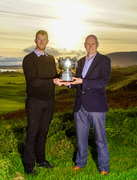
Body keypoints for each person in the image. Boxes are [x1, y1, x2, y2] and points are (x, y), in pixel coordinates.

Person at [64, 34, 111, 175]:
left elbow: (103, 82)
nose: (90, 46)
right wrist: (68, 83)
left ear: (97, 44)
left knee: (100, 138)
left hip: (96, 106)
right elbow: (77, 84)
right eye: (88, 44)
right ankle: (80, 163)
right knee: (81, 138)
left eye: (93, 44)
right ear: (85, 45)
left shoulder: (104, 60)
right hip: (80, 106)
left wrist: (82, 81)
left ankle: (103, 167)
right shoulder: (80, 61)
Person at [22, 30, 63, 175]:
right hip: (35, 101)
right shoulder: (29, 59)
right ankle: (28, 165)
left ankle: (41, 161)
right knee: (32, 133)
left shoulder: (51, 58)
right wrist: (53, 81)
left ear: (47, 41)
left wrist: (65, 72)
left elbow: (54, 77)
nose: (41, 42)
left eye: (44, 39)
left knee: (43, 132)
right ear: (35, 41)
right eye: (39, 39)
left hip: (49, 101)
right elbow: (32, 81)